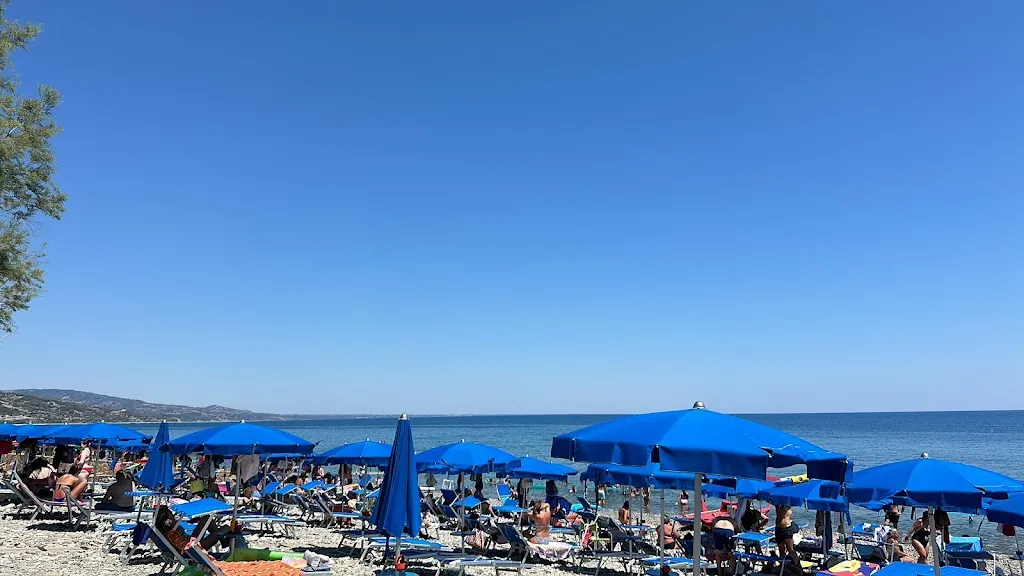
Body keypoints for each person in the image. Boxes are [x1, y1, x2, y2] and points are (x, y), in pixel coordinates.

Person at [155, 505, 232, 552]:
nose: (173, 517)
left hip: (192, 542)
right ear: (167, 521)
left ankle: (223, 542)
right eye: (171, 516)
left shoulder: (164, 531)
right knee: (225, 528)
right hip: (193, 549)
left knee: (207, 517)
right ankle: (224, 542)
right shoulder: (171, 534)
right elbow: (185, 547)